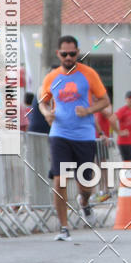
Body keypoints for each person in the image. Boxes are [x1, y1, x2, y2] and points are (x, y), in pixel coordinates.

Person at [38, 36, 110, 241]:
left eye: (72, 54)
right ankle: (63, 227)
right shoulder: (51, 77)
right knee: (60, 180)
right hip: (60, 134)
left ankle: (84, 202)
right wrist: (46, 113)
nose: (68, 57)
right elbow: (43, 102)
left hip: (84, 135)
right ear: (58, 54)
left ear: (78, 53)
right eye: (64, 54)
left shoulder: (88, 74)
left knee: (86, 186)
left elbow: (105, 101)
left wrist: (88, 110)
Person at [115, 91, 131, 161]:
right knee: (127, 164)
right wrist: (119, 132)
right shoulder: (123, 110)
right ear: (126, 99)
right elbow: (112, 119)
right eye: (129, 98)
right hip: (124, 142)